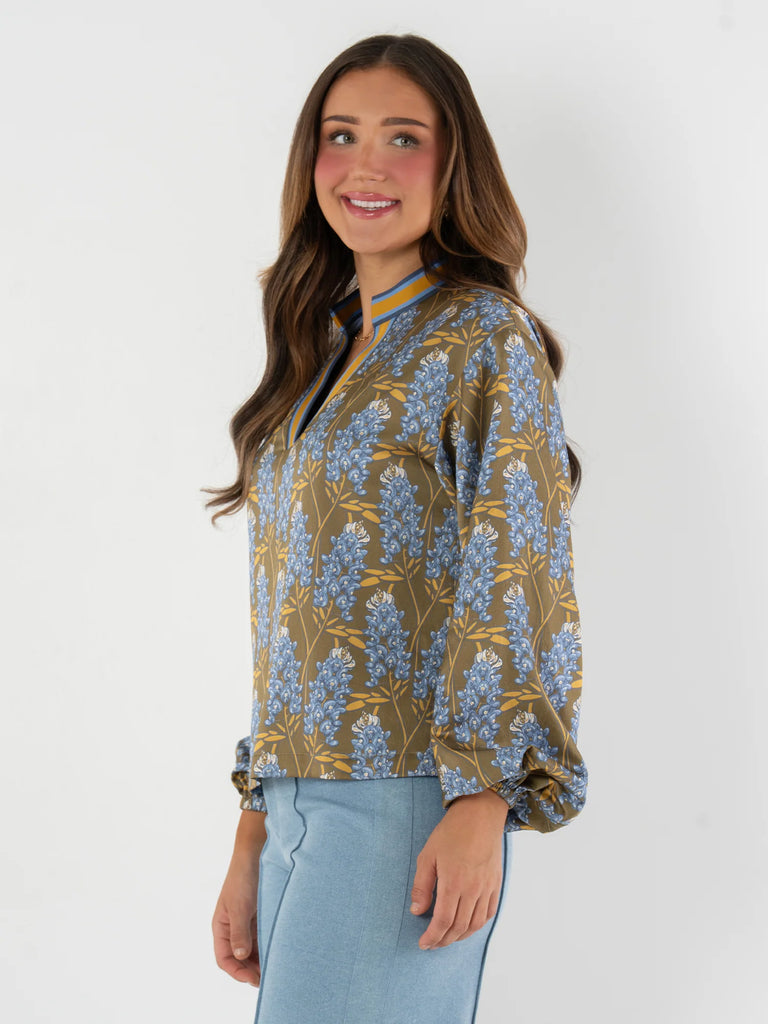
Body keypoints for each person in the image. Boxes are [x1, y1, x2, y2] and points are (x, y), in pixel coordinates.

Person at [204, 32, 587, 1024]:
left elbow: (517, 569)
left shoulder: (482, 336)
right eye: (341, 135)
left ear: (453, 164)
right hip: (295, 806)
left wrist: (484, 799)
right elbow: (292, 610)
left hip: (407, 800)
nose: (366, 165)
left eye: (403, 138)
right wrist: (253, 831)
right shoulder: (319, 354)